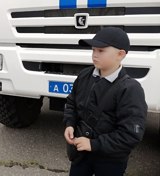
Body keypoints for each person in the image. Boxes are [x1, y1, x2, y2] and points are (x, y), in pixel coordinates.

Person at [63, 27, 147, 176]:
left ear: (120, 54)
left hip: (110, 162)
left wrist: (93, 144)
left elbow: (130, 135)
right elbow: (71, 103)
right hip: (81, 156)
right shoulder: (84, 76)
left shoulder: (131, 90)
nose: (94, 55)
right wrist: (69, 124)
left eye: (101, 51)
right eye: (93, 50)